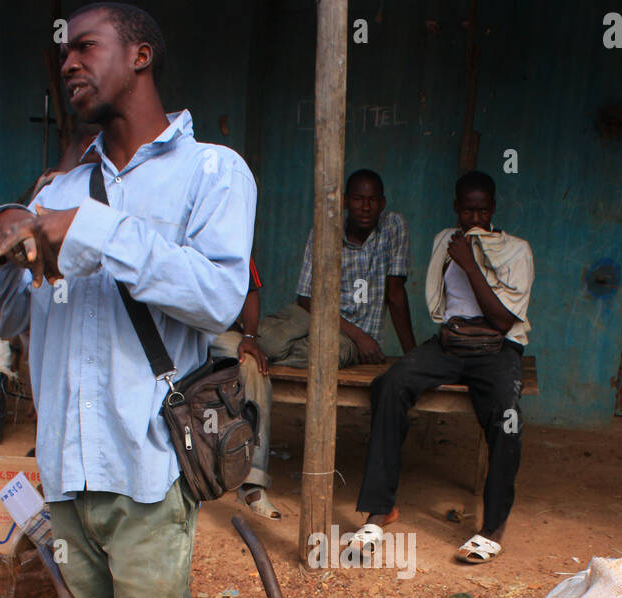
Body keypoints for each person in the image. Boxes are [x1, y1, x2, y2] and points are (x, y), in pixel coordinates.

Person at [0, 1, 256, 598]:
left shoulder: (213, 173)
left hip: (146, 460)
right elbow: (11, 319)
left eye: (85, 48)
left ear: (140, 54)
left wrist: (92, 232)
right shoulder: (56, 186)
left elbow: (217, 296)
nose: (69, 64)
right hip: (66, 465)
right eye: (63, 55)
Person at [353, 170, 533, 564]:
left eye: (482, 209)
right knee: (390, 384)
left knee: (507, 417)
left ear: (493, 209)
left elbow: (504, 322)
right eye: (468, 209)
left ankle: (493, 526)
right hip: (452, 343)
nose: (475, 218)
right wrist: (459, 256)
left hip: (497, 348)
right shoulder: (444, 242)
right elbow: (443, 308)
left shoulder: (517, 251)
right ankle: (381, 508)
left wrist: (470, 265)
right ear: (456, 209)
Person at [244, 169, 416, 505]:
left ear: (382, 203)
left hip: (351, 337)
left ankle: (287, 349)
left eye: (372, 200)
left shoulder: (393, 227)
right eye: (357, 199)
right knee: (265, 341)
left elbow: (396, 295)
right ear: (346, 202)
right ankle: (263, 346)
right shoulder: (325, 229)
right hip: (316, 313)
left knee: (328, 354)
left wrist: (412, 356)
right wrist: (357, 334)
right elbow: (307, 299)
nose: (365, 207)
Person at [210, 259, 280, 518]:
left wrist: (249, 336)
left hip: (216, 331)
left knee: (252, 366)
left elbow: (251, 290)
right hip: (169, 330)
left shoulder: (229, 237)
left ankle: (252, 481)